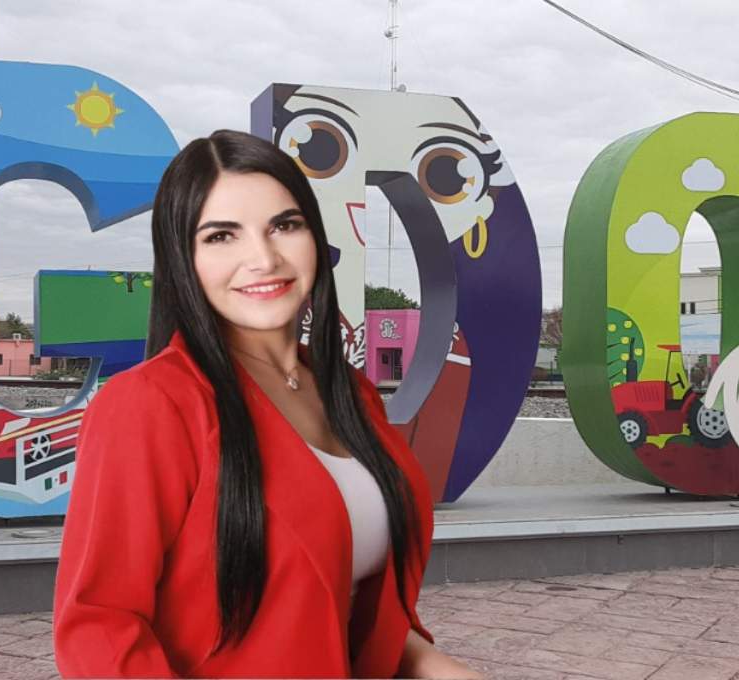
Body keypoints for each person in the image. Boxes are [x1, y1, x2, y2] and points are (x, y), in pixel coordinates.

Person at [53, 129, 483, 679]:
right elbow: (99, 627)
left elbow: (348, 604)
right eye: (221, 236)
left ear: (314, 236)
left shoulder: (352, 394)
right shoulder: (150, 405)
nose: (263, 258)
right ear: (183, 258)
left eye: (285, 225)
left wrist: (435, 665)